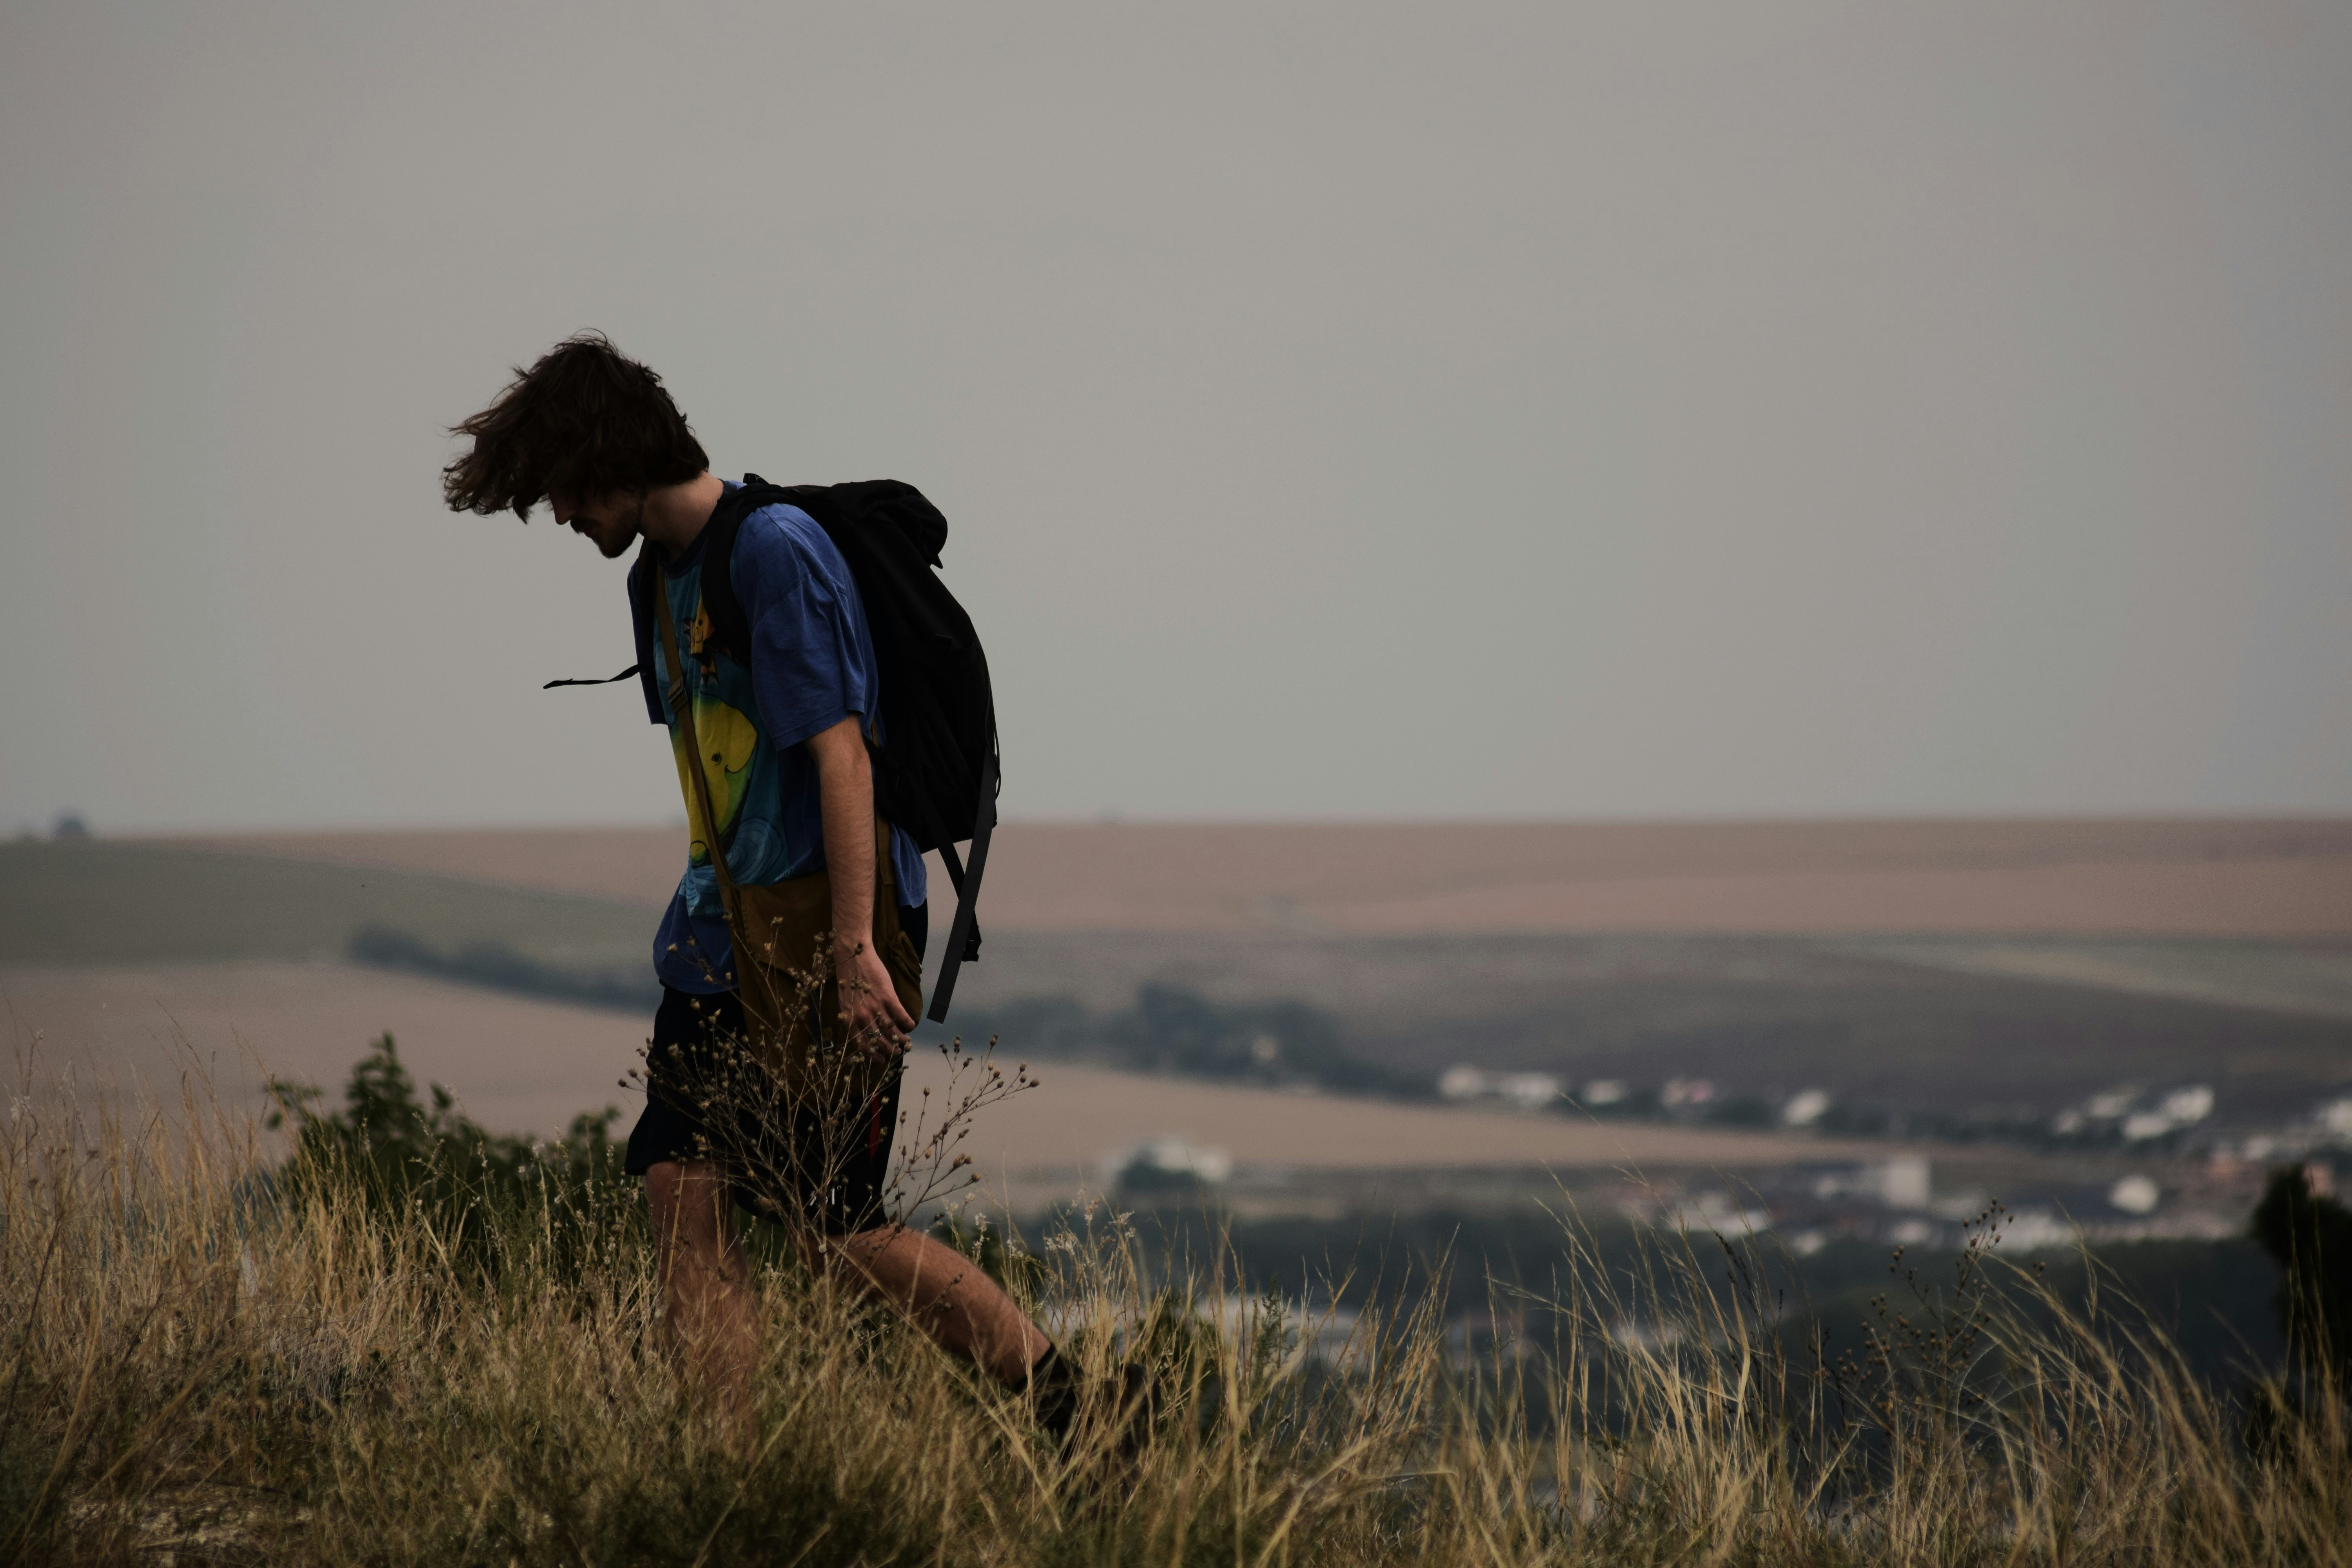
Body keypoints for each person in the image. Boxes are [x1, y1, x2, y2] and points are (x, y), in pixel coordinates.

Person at [441, 333, 1115, 1444]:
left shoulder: (776, 554)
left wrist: (855, 950)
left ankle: (1084, 1416)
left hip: (826, 924)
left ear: (610, 459)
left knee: (832, 1229)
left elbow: (841, 756)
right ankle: (728, 1478)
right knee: (677, 1187)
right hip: (721, 932)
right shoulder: (654, 578)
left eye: (562, 488)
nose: (559, 515)